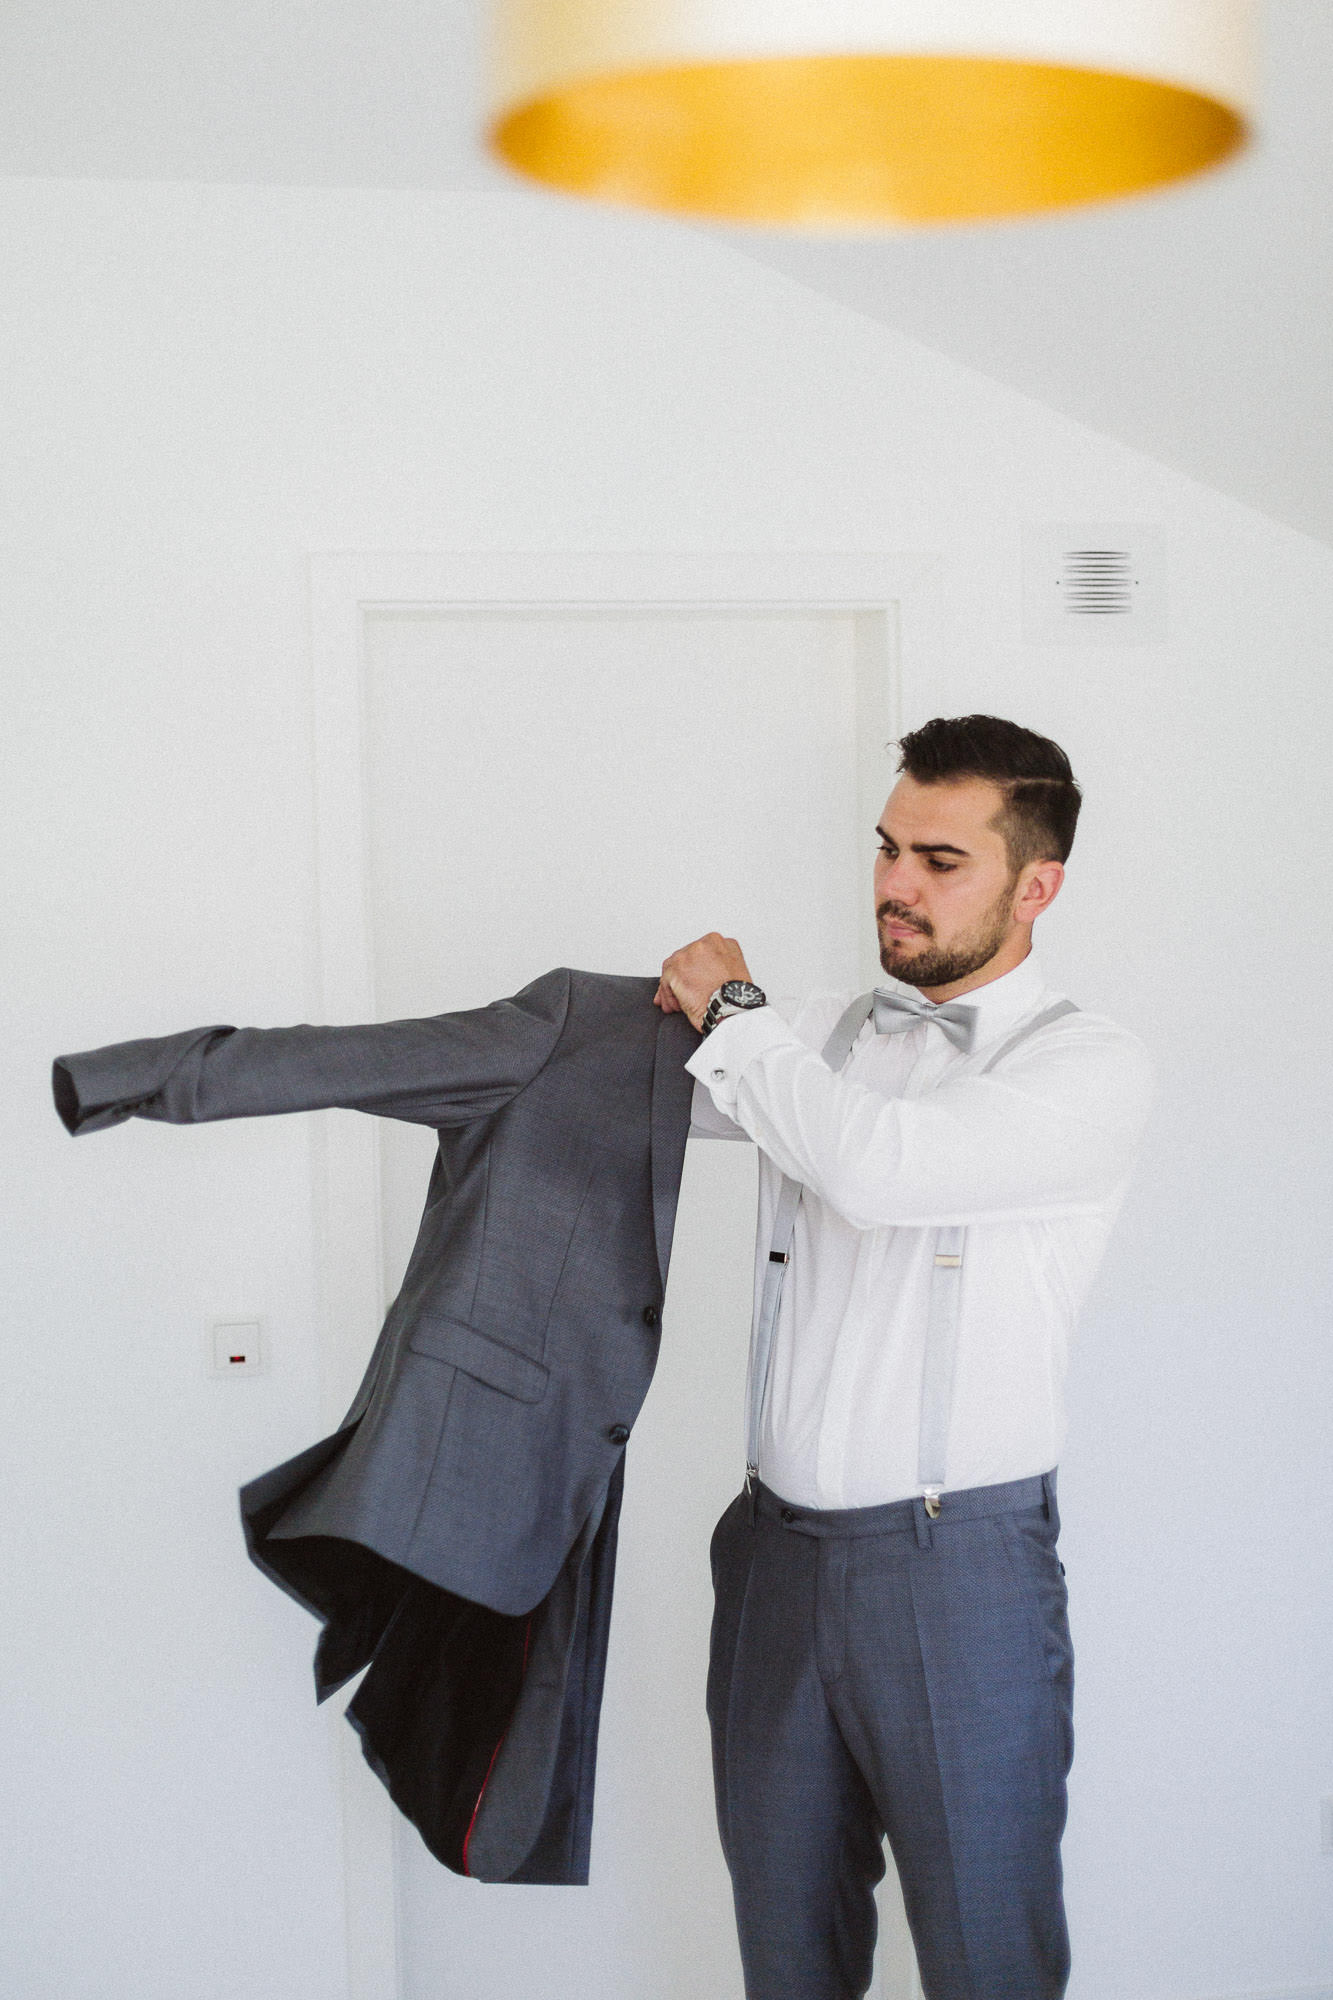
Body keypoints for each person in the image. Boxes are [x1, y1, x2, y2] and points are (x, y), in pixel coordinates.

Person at [654, 714, 1153, 2000]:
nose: (894, 883)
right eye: (886, 847)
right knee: (787, 1957)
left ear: (1035, 885)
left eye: (939, 859)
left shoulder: (1088, 1066)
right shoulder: (815, 1035)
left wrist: (736, 1012)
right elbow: (622, 1092)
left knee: (987, 1961)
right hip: (771, 1560)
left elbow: (876, 1169)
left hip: (960, 1573)